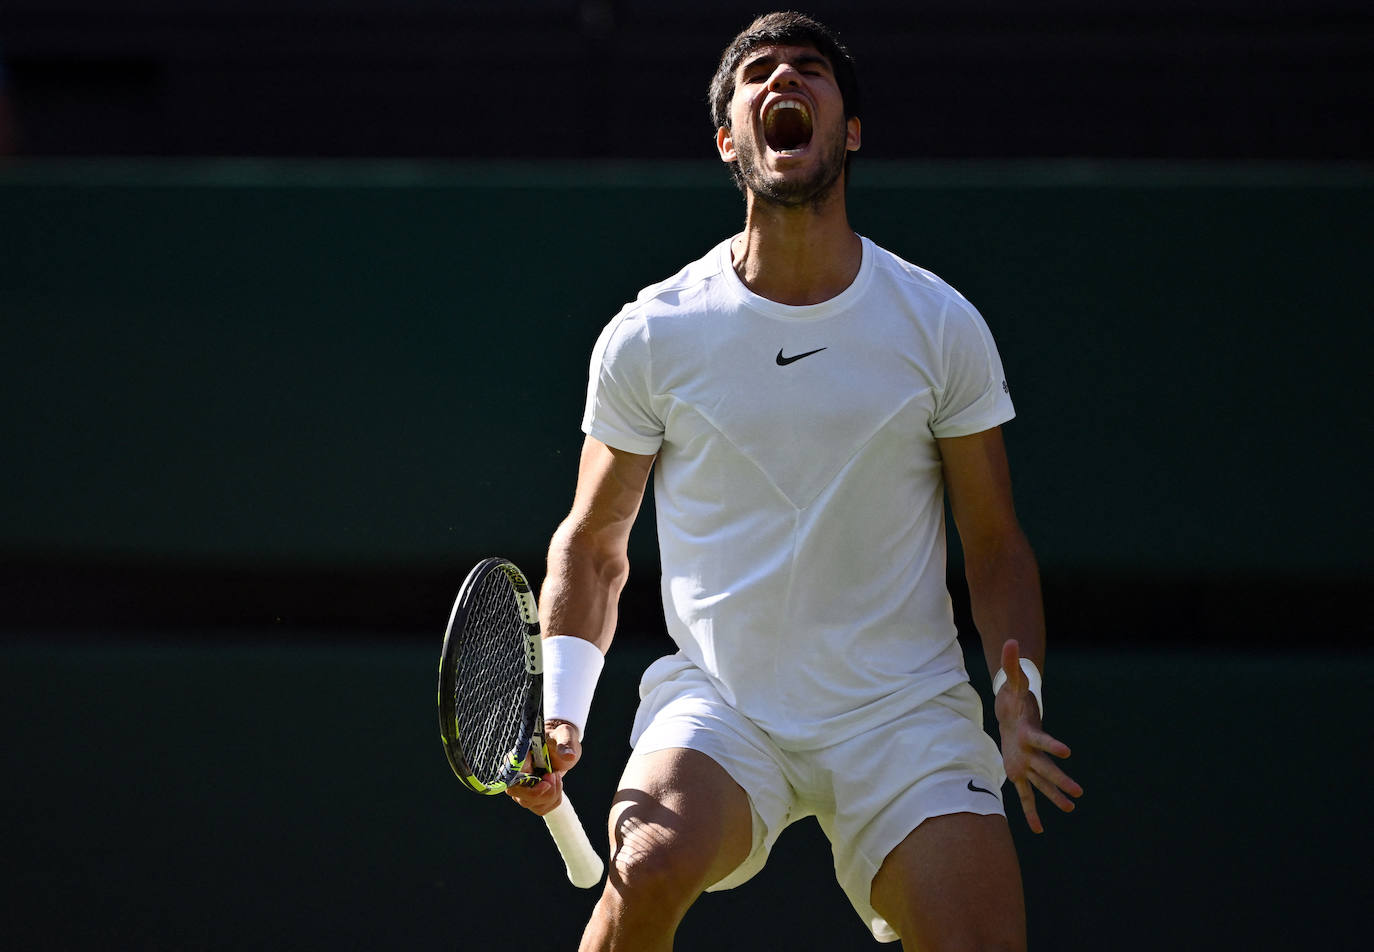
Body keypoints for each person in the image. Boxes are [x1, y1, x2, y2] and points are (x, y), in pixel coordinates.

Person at [508, 11, 1082, 950]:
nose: (785, 82)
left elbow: (994, 541)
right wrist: (564, 713)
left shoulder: (939, 325)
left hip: (906, 715)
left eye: (810, 71)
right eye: (758, 74)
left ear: (849, 128)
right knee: (644, 867)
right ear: (730, 137)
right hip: (723, 707)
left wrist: (1019, 694)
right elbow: (595, 543)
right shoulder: (653, 333)